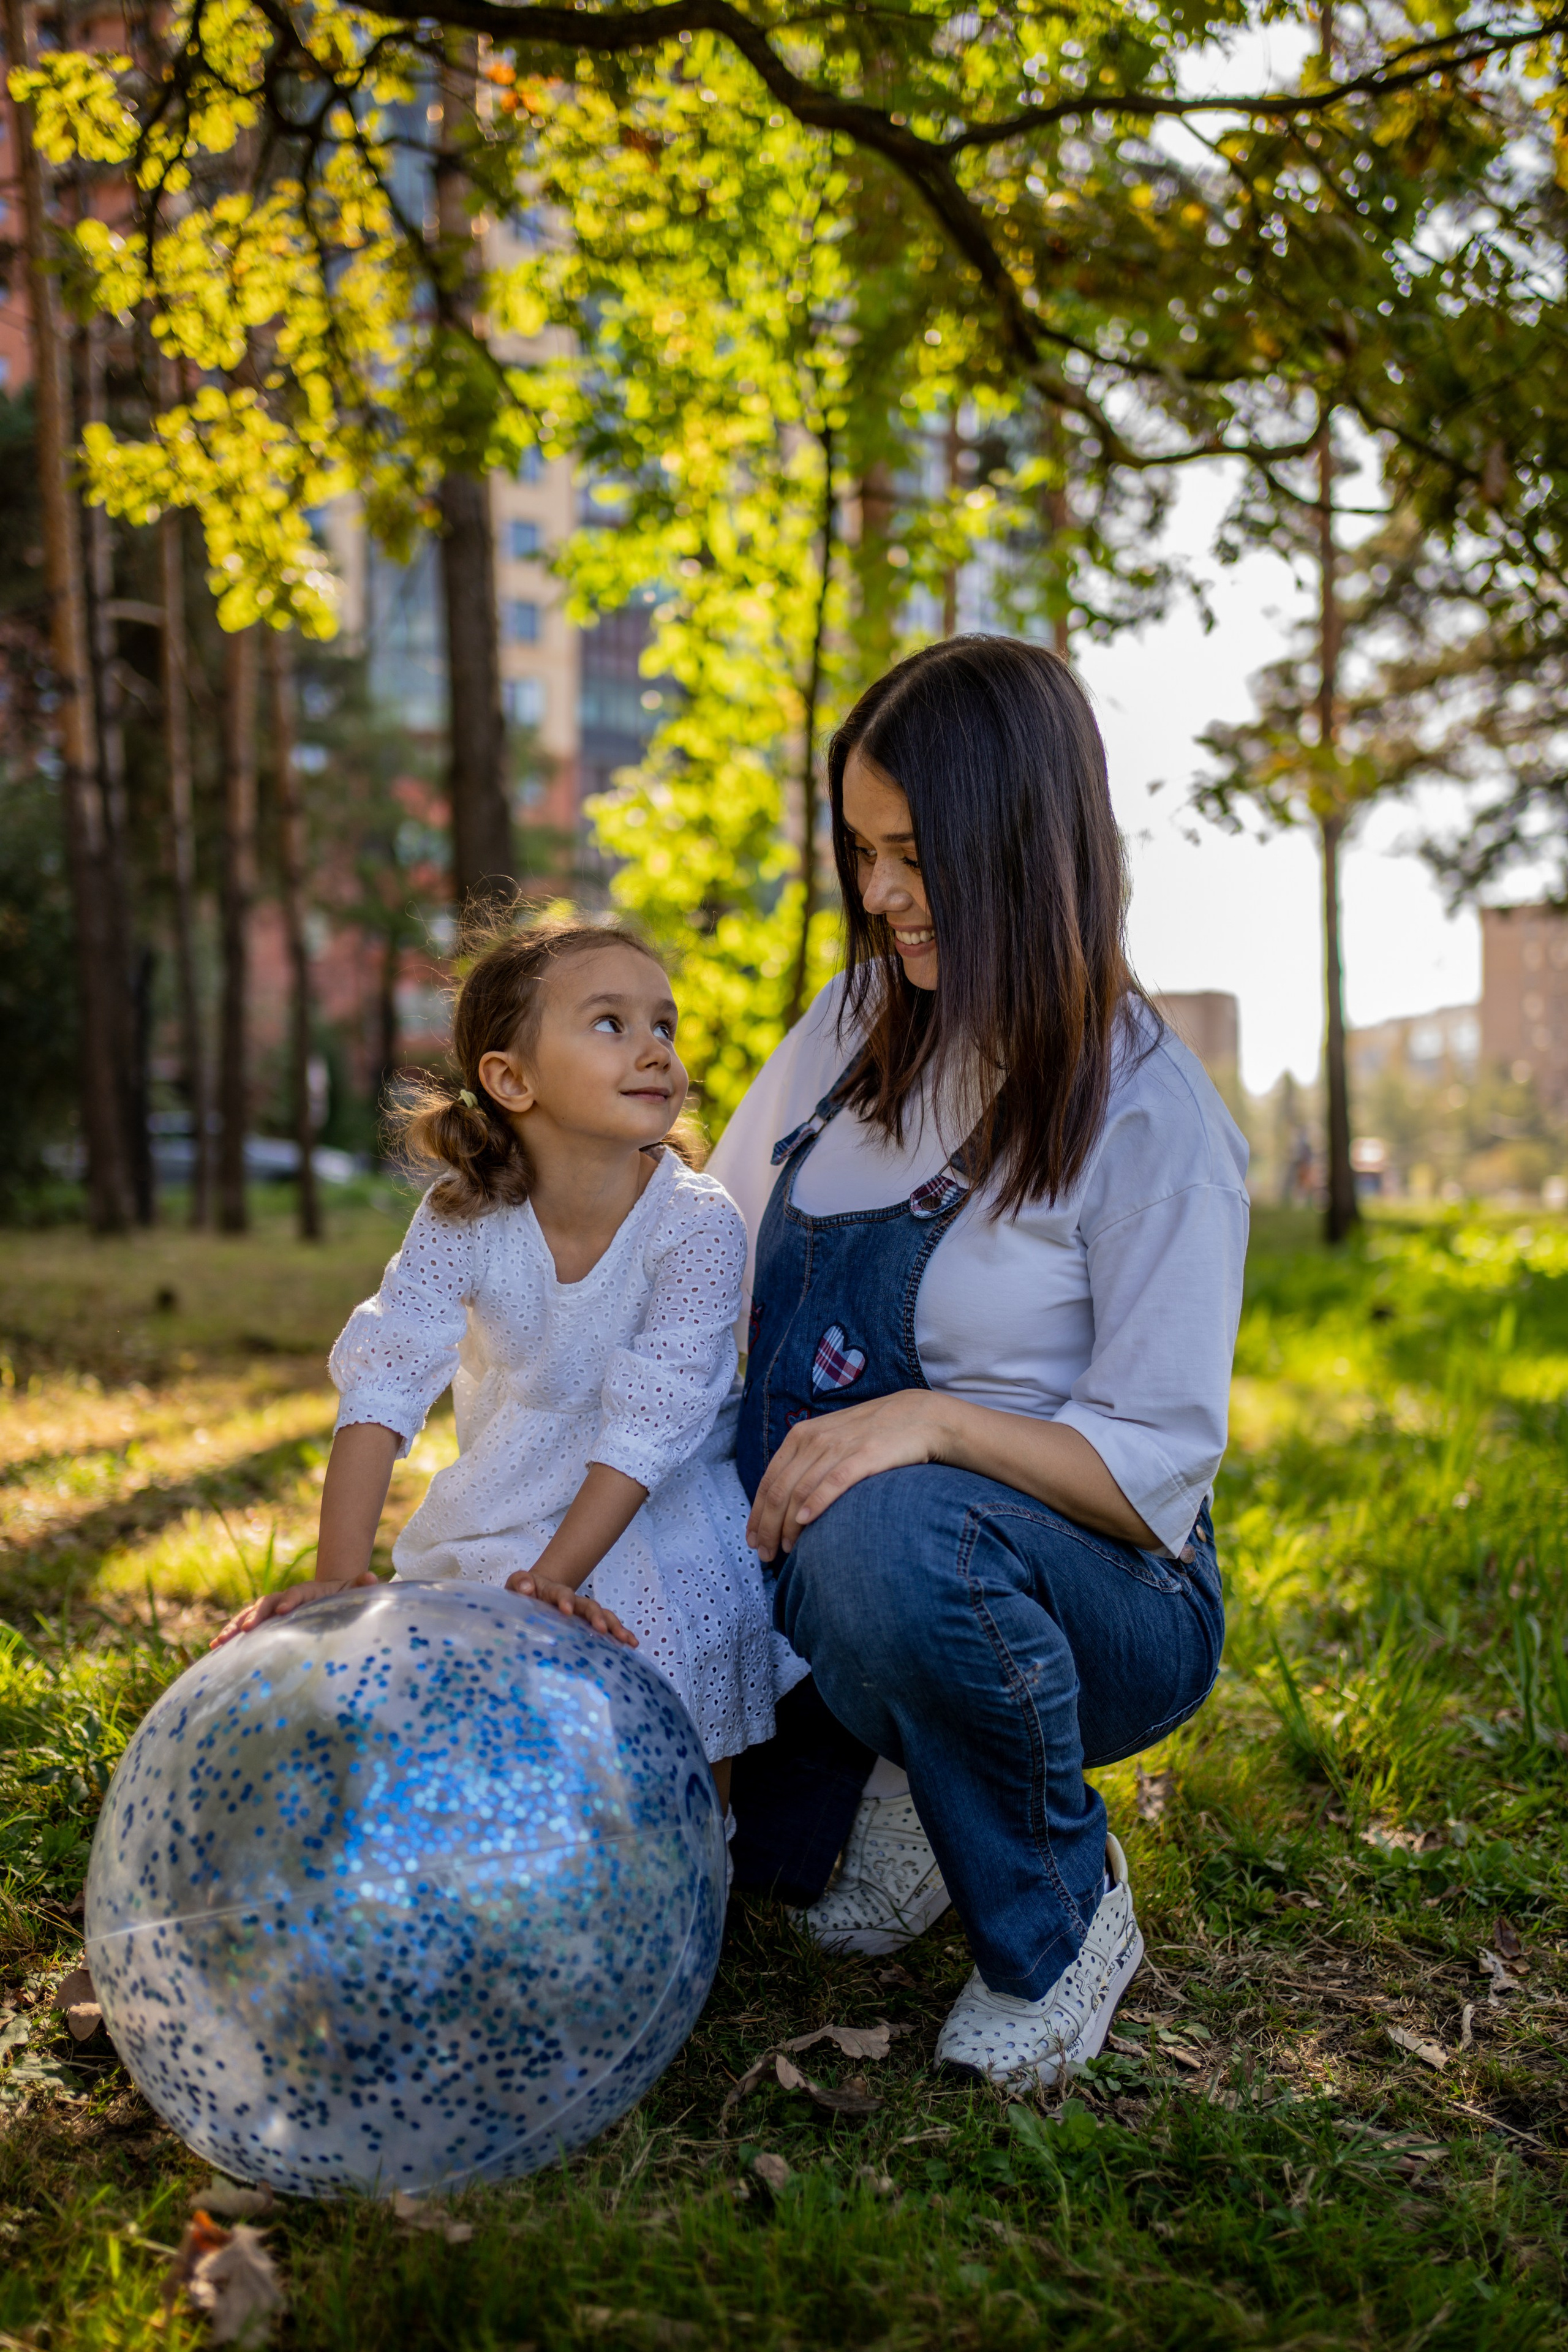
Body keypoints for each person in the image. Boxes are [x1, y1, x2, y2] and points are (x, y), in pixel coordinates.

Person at [711, 635, 1247, 2087]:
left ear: (1016, 837)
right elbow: (704, 1274)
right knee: (730, 1860)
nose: (876, 893)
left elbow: (1149, 1482)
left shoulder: (1148, 1116)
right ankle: (908, 1782)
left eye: (909, 851)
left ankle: (1061, 1917)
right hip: (822, 1557)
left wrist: (929, 1422)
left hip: (1100, 1593)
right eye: (860, 851)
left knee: (890, 1534)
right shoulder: (843, 1032)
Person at [216, 921, 804, 1816]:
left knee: (667, 1628)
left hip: (659, 1491)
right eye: (611, 1023)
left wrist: (556, 1583)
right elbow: (387, 1375)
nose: (656, 1050)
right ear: (510, 1079)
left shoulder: (696, 1224)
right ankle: (514, 1823)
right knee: (472, 1672)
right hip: (515, 1487)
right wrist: (340, 1577)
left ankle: (696, 1836)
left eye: (665, 1027)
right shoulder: (464, 1217)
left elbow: (652, 1425)